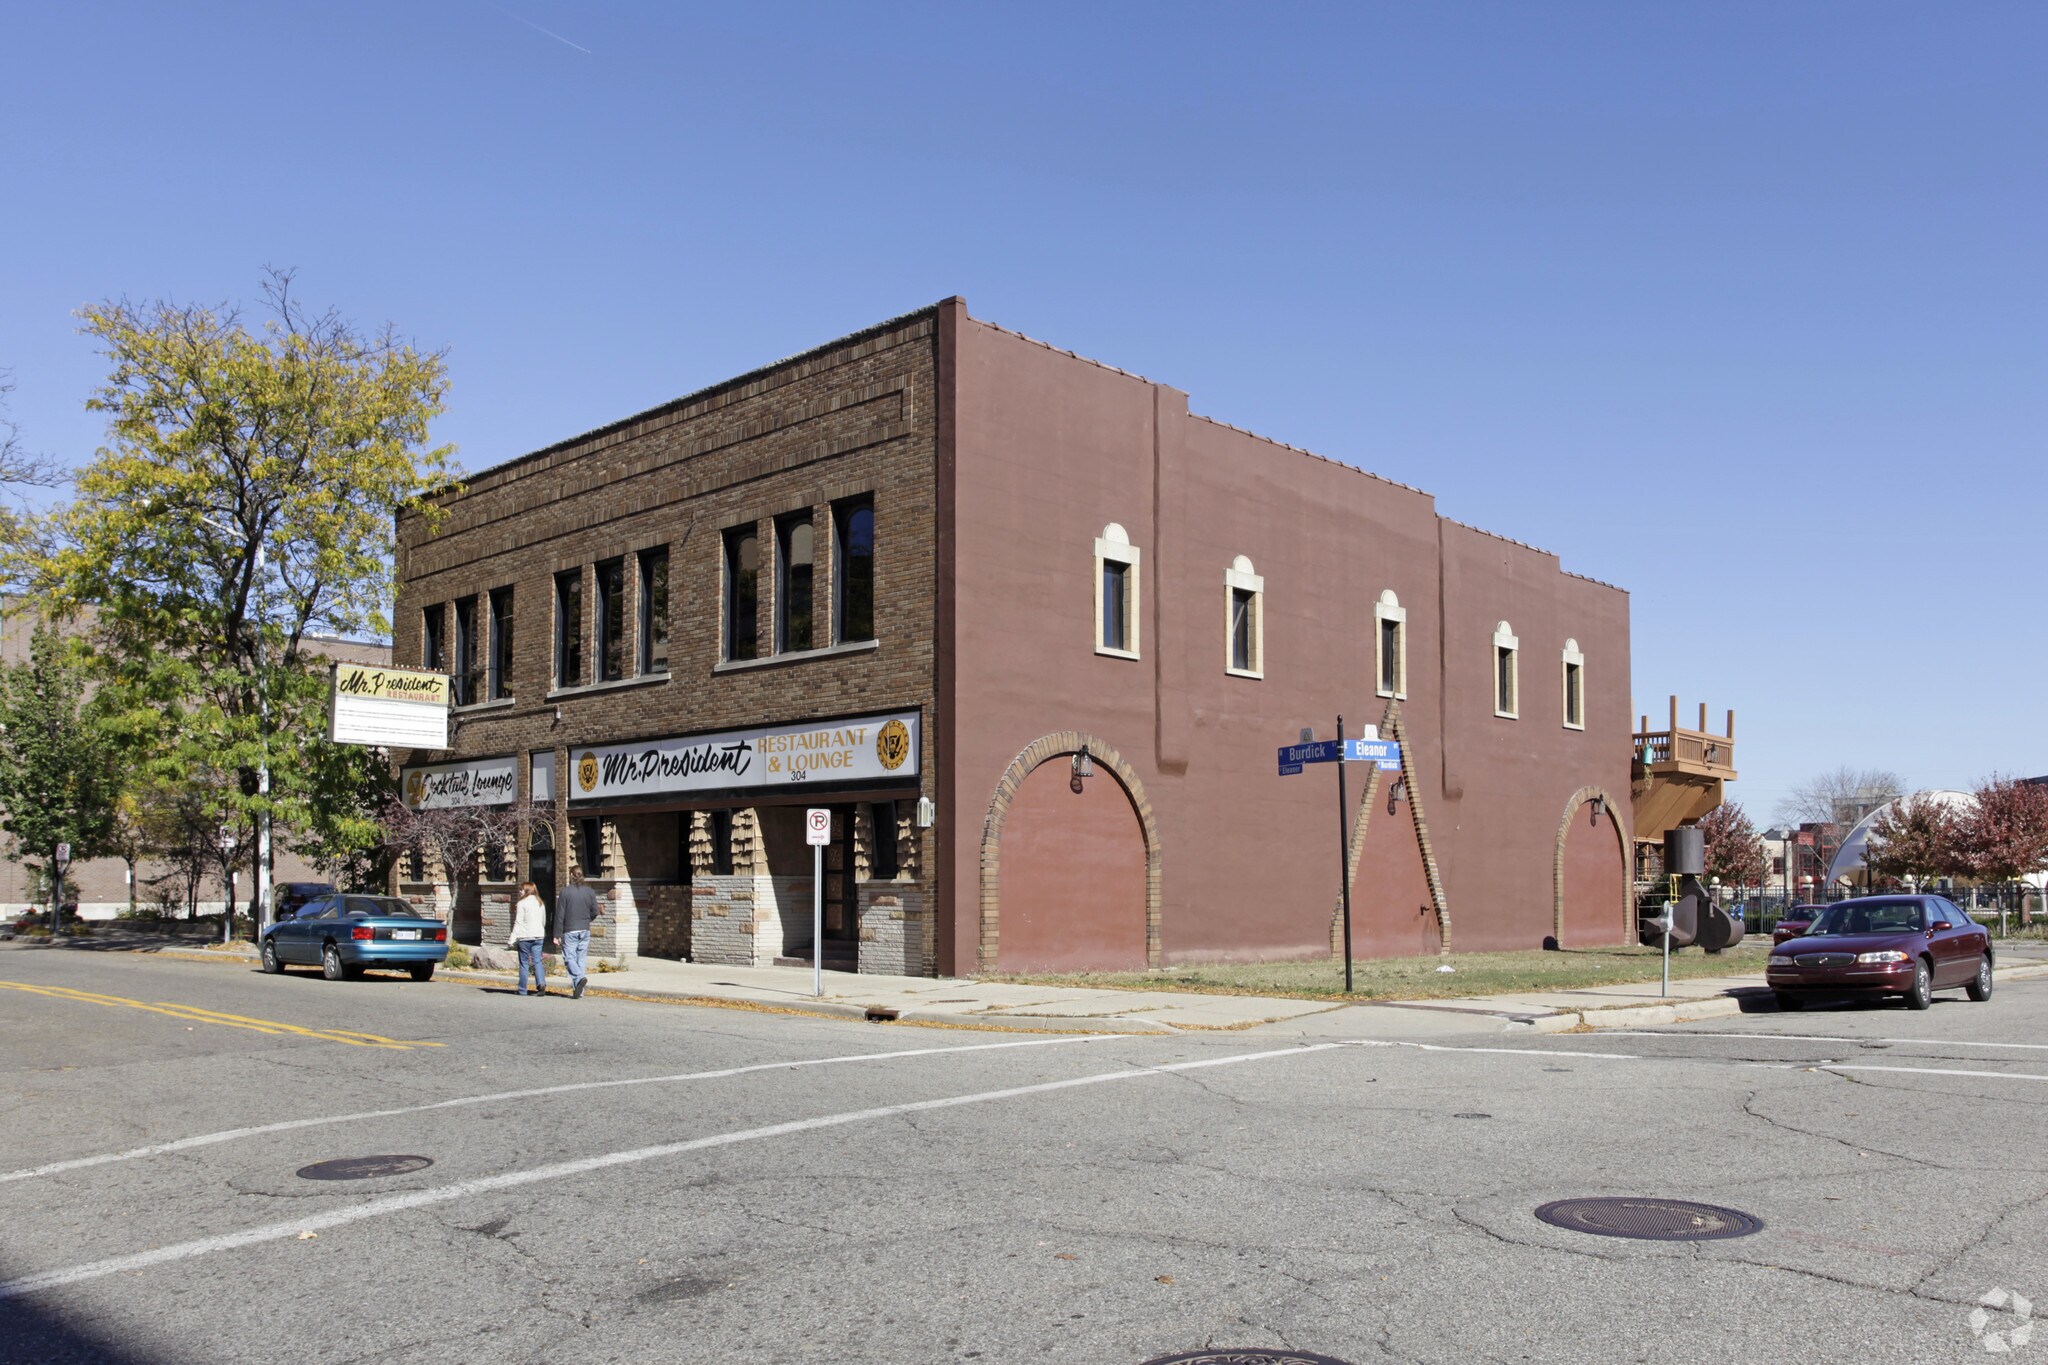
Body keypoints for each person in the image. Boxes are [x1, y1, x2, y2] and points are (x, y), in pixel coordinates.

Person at [552, 868, 601, 999]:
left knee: (569, 957)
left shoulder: (565, 892)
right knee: (581, 958)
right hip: (585, 929)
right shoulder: (589, 892)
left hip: (570, 929)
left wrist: (557, 933)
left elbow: (560, 914)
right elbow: (595, 911)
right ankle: (579, 990)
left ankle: (579, 978)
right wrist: (587, 920)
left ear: (571, 876)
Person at [508, 880, 548, 997]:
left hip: (525, 936)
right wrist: (541, 930)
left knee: (524, 963)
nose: (519, 892)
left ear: (527, 890)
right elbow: (543, 920)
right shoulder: (540, 903)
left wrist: (512, 939)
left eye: (521, 889)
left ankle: (522, 989)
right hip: (538, 935)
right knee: (537, 961)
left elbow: (518, 922)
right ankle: (541, 984)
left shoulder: (521, 904)